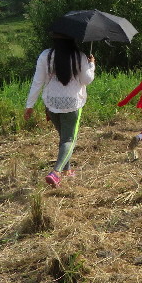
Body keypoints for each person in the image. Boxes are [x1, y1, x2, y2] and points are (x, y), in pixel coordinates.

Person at [24, 34, 96, 188]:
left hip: (52, 103)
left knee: (64, 138)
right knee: (69, 139)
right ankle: (56, 173)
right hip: (72, 104)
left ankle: (67, 170)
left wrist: (30, 105)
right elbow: (87, 80)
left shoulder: (46, 55)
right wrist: (91, 65)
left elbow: (37, 81)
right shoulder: (79, 56)